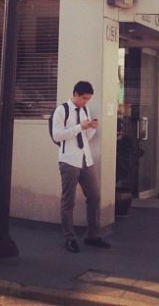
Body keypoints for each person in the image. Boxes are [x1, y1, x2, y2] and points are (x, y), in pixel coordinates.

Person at [52, 80, 110, 253]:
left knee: (94, 196)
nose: (86, 102)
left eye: (88, 99)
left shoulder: (85, 110)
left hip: (86, 159)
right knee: (68, 201)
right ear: (75, 94)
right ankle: (69, 238)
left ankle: (92, 235)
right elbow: (57, 136)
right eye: (84, 98)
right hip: (69, 160)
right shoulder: (62, 110)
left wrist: (91, 128)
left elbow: (86, 137)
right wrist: (79, 127)